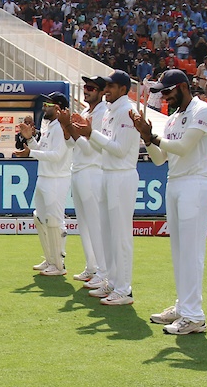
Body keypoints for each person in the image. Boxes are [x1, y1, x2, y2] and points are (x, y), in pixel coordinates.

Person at [133, 70, 207, 335]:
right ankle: (184, 307)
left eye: (167, 91)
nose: (164, 97)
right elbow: (160, 159)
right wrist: (146, 138)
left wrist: (153, 136)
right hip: (176, 182)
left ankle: (194, 316)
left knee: (191, 253)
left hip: (196, 183)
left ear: (182, 87)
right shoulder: (173, 119)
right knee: (180, 252)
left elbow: (183, 148)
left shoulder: (202, 111)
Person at [68, 70, 139, 306]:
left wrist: (91, 134)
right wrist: (84, 134)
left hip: (121, 175)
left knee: (120, 235)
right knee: (108, 234)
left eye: (111, 87)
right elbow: (99, 149)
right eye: (105, 87)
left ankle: (124, 288)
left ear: (123, 89)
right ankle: (112, 280)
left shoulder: (128, 112)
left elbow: (120, 150)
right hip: (107, 174)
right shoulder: (110, 112)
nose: (106, 90)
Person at [15, 91, 72, 276]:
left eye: (48, 104)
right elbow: (41, 150)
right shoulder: (48, 126)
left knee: (55, 221)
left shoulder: (61, 128)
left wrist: (30, 153)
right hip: (44, 177)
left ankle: (58, 264)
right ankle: (50, 259)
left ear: (58, 108)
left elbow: (56, 156)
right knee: (39, 217)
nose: (44, 107)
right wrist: (30, 139)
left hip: (57, 179)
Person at [70, 76, 108, 287]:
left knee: (95, 223)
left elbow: (91, 148)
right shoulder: (85, 112)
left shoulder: (102, 113)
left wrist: (73, 131)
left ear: (101, 92)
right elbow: (75, 145)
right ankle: (92, 267)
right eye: (85, 87)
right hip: (78, 170)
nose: (87, 91)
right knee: (84, 224)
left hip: (93, 170)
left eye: (91, 88)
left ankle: (103, 272)